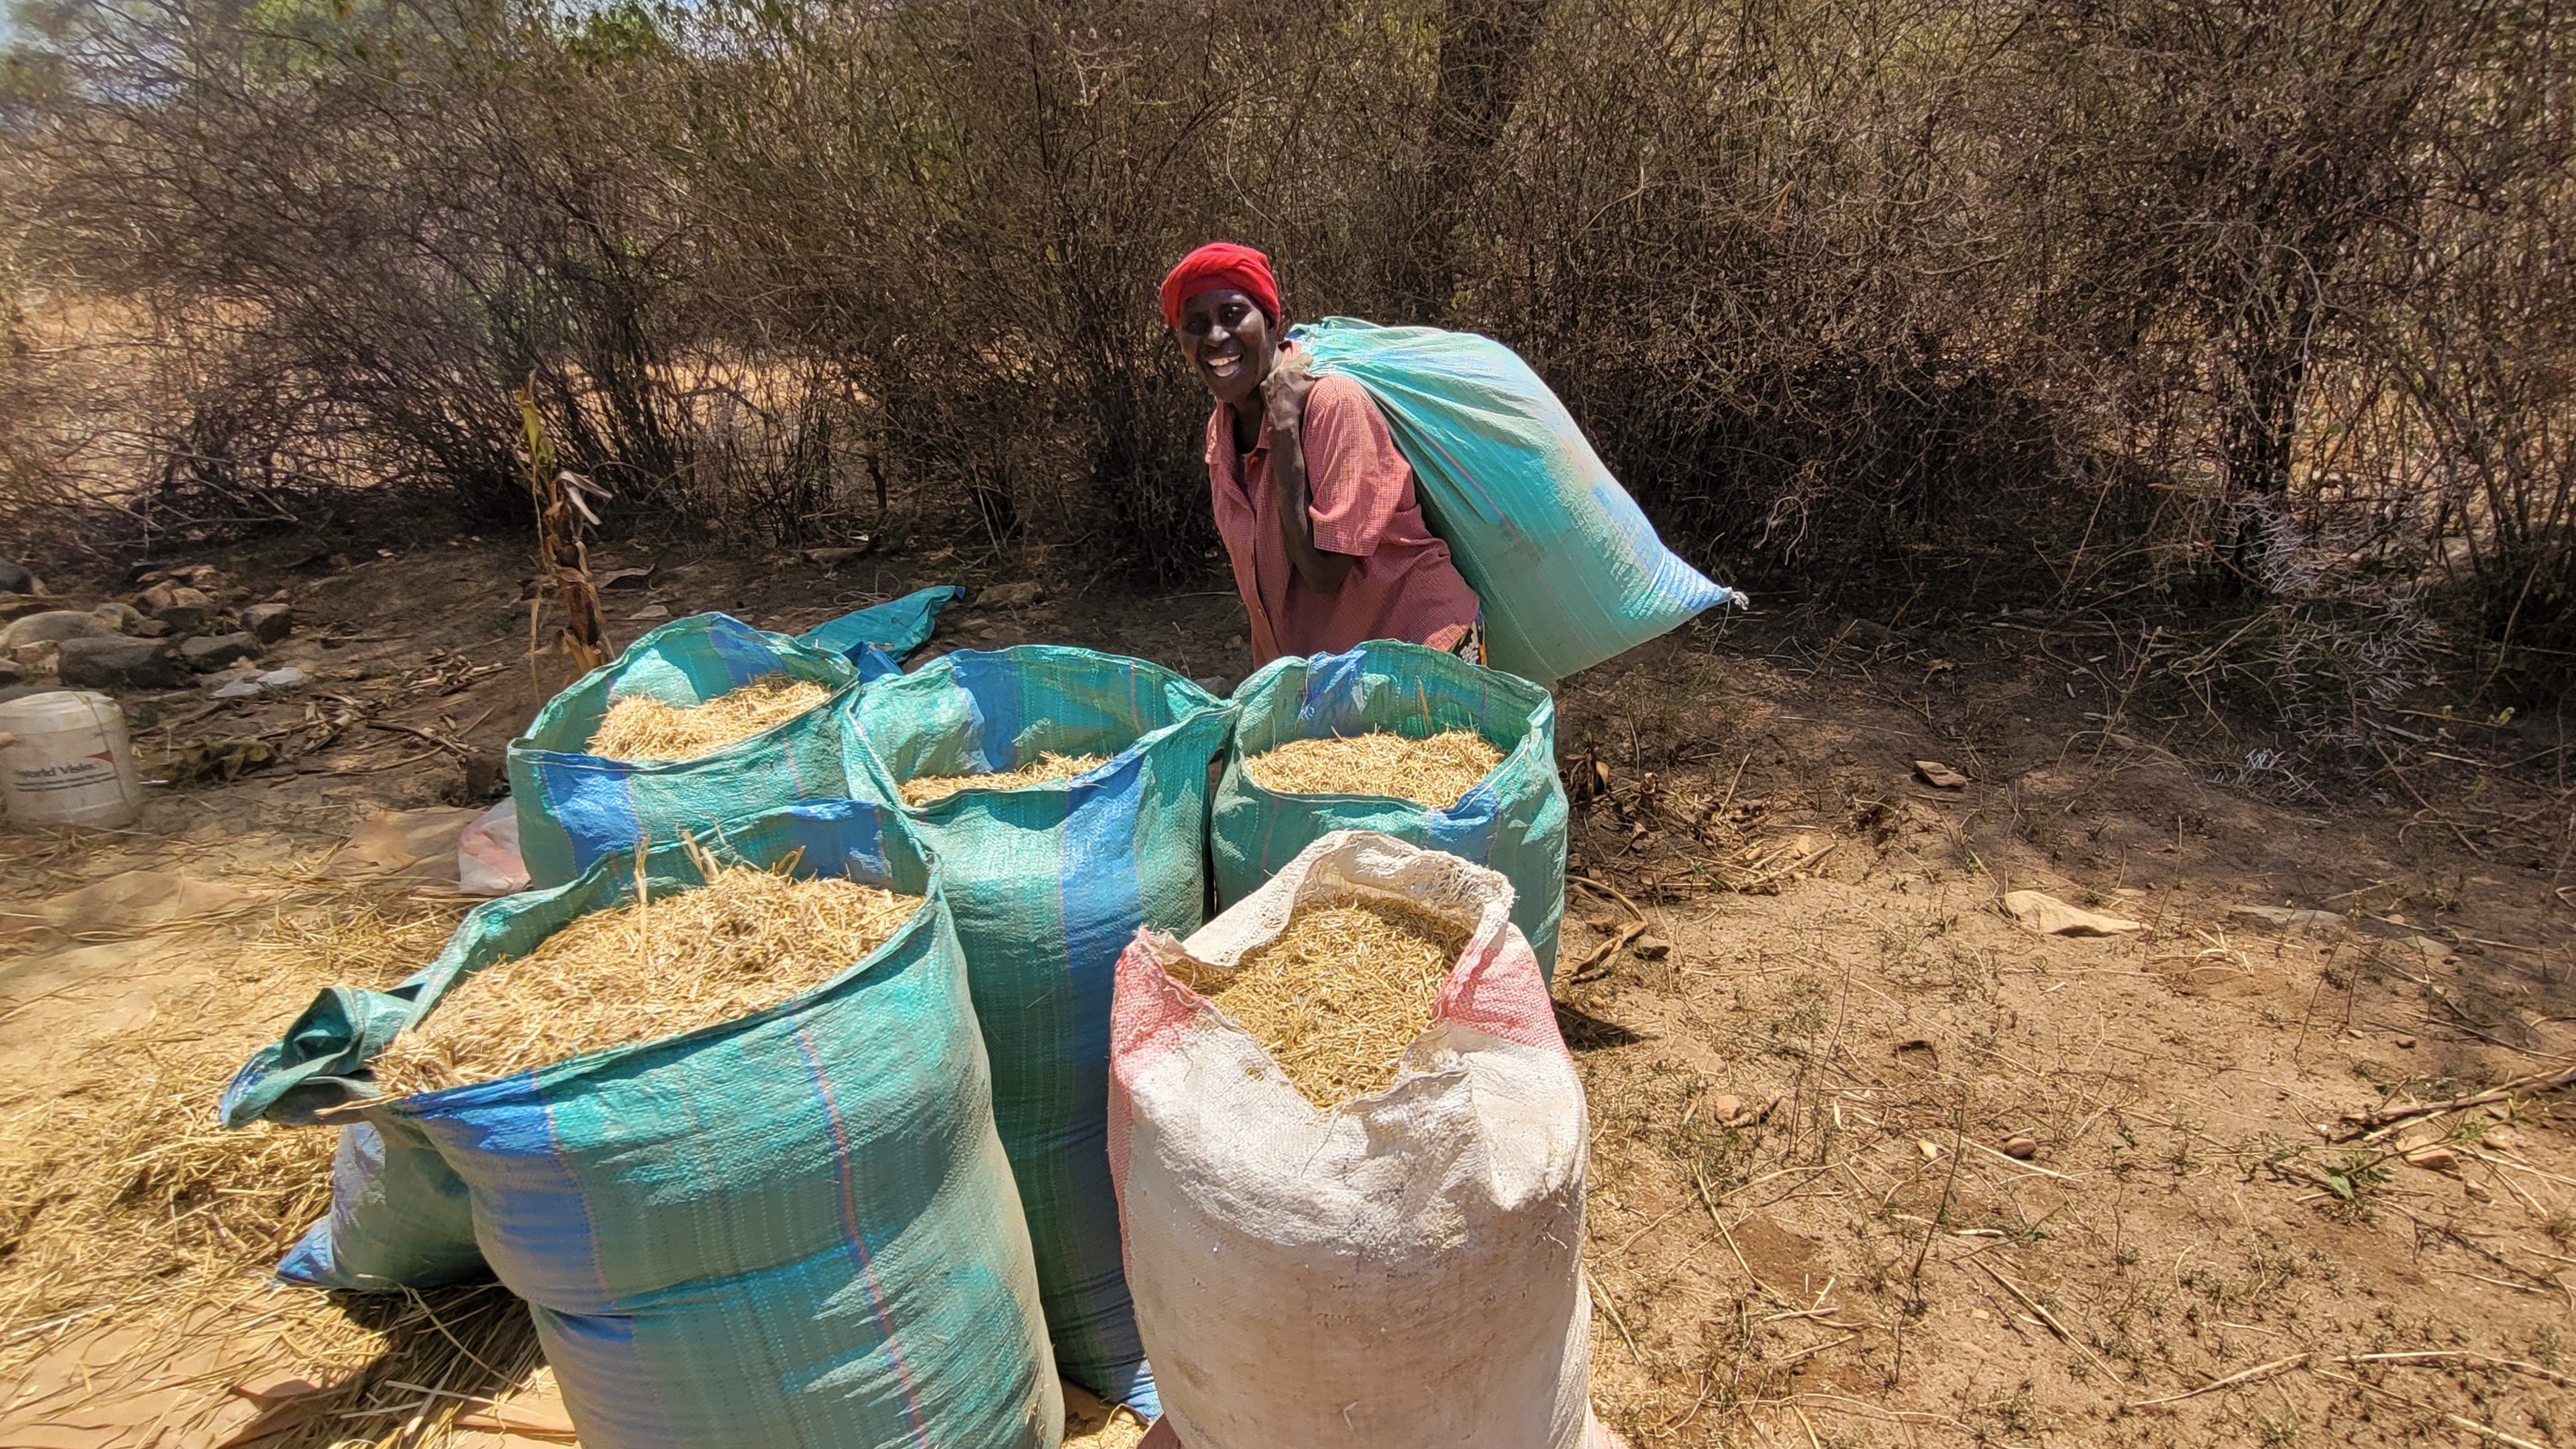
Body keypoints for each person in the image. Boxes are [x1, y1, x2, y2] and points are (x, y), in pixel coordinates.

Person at [1161, 242, 1484, 668]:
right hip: (1336, 674)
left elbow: (1324, 574)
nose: (1216, 336)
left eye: (1234, 314)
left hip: (1421, 651)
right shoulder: (1220, 430)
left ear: (1270, 319)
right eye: (1196, 324)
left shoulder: (1331, 403)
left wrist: (1282, 433)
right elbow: (1258, 588)